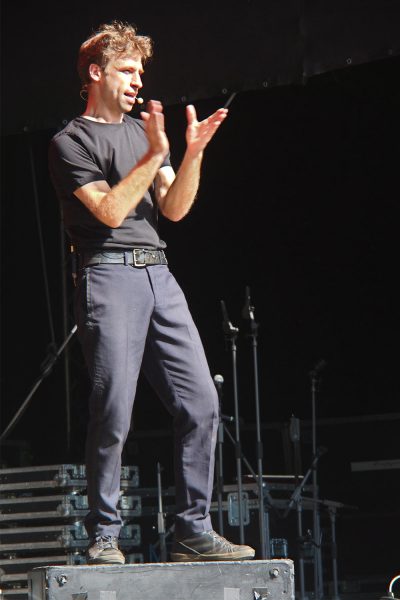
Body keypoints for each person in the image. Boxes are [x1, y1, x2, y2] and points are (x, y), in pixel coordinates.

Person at [48, 20, 255, 565]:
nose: (137, 80)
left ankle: (192, 527)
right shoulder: (70, 141)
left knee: (200, 401)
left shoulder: (145, 136)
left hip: (158, 274)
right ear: (96, 73)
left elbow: (175, 208)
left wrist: (191, 154)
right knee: (113, 405)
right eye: (126, 69)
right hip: (108, 274)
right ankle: (105, 534)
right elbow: (112, 212)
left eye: (141, 71)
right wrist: (150, 156)